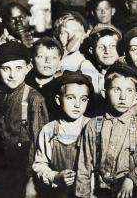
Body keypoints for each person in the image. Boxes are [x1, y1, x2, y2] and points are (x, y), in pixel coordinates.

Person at [75, 62, 137, 198]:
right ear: (104, 93)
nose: (123, 97)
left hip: (130, 192)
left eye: (129, 91)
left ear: (136, 96)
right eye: (116, 90)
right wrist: (83, 195)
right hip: (100, 192)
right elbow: (84, 167)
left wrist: (132, 179)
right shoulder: (93, 125)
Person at [0, 42, 49, 198]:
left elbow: (40, 142)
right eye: (6, 68)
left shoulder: (34, 99)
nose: (12, 75)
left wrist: (32, 180)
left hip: (24, 171)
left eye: (18, 68)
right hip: (0, 170)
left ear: (28, 68)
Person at [32, 70, 93, 198]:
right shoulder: (49, 130)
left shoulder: (93, 127)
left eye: (83, 99)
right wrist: (55, 176)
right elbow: (39, 164)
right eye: (70, 98)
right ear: (58, 100)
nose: (77, 104)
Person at [52, 11, 100, 92]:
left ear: (82, 37)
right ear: (57, 36)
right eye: (64, 33)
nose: (70, 37)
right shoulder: (52, 60)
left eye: (75, 32)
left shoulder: (84, 65)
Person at [25, 37, 64, 121]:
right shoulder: (24, 84)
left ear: (60, 63)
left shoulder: (61, 89)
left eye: (53, 57)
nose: (47, 61)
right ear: (32, 61)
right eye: (41, 56)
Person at [87, 23, 122, 93]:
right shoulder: (90, 73)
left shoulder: (126, 73)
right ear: (92, 51)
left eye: (112, 46)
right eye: (101, 47)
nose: (107, 51)